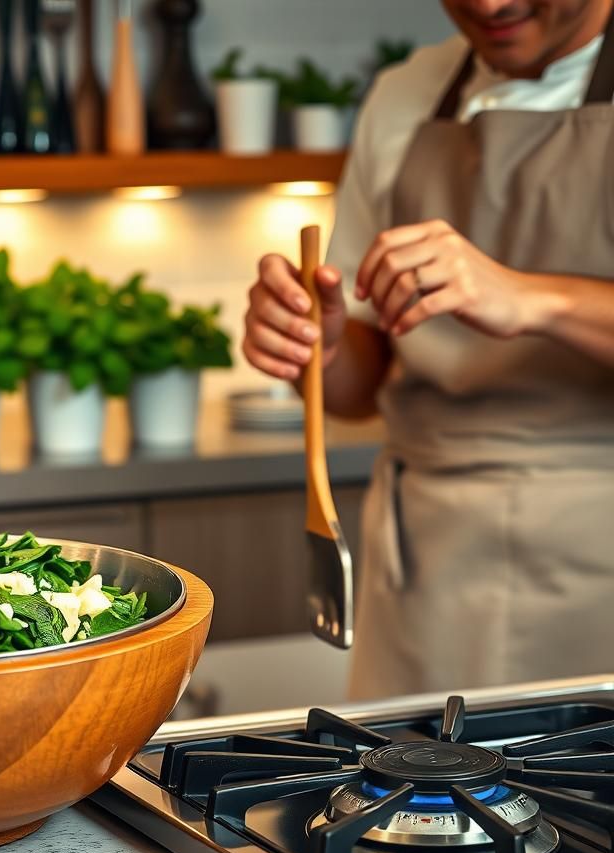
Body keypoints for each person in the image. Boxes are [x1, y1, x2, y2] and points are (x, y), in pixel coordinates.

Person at [244, 0, 614, 699]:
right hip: (425, 571)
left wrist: (536, 298)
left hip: (599, 554)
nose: (490, 4)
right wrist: (317, 349)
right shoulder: (405, 94)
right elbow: (359, 387)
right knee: (405, 798)